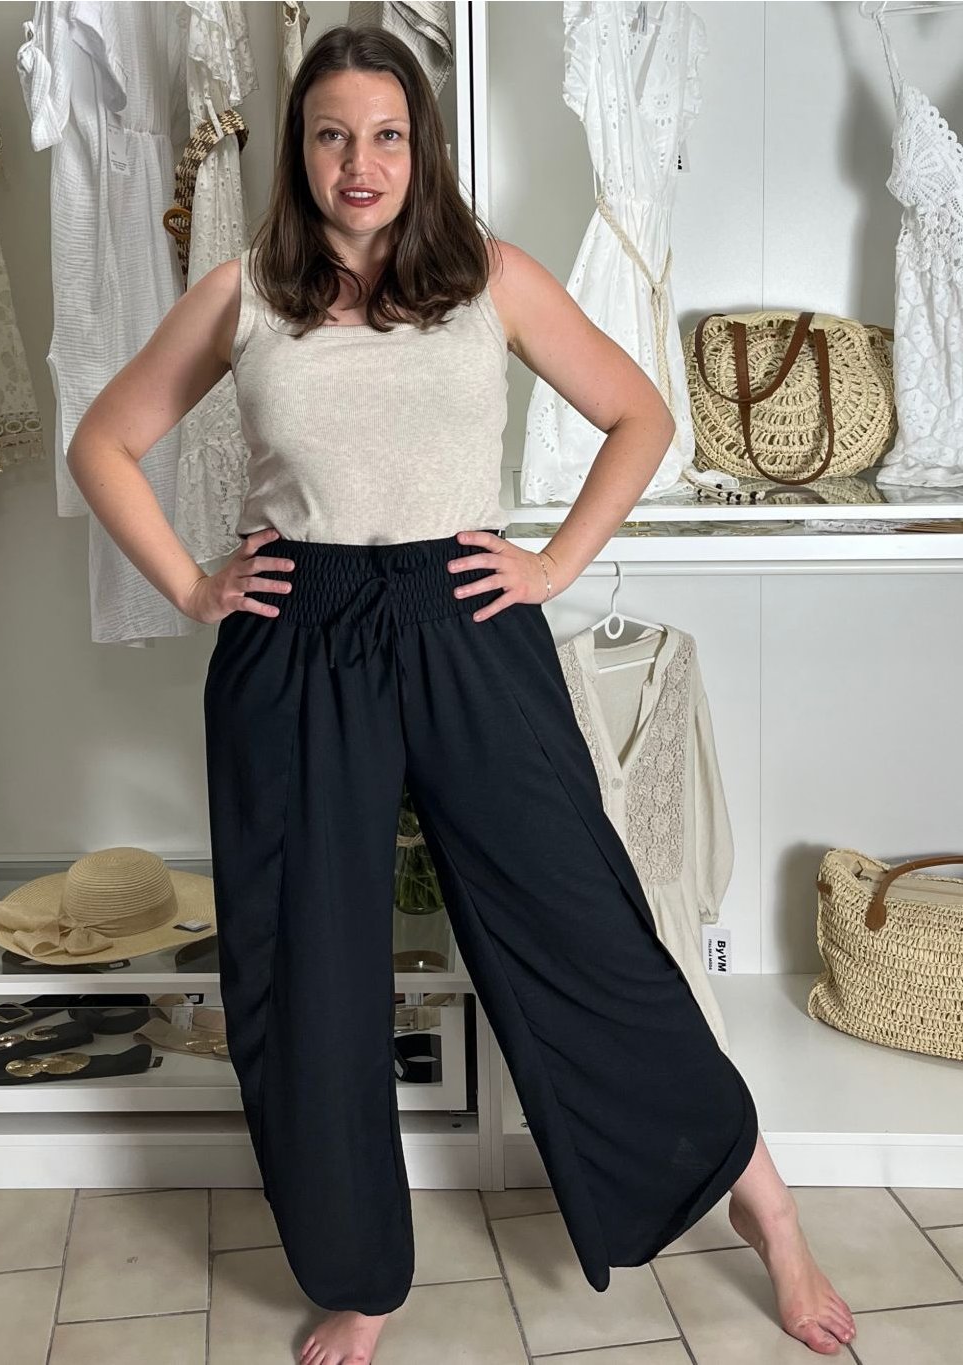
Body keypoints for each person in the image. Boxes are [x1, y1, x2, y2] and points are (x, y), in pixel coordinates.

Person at [66, 24, 856, 1365]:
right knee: (306, 964)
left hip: (466, 624)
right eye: (331, 134)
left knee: (586, 923)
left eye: (385, 134)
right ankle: (361, 1273)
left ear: (420, 146)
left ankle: (765, 1207)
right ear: (298, 150)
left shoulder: (489, 275)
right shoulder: (245, 292)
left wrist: (552, 563)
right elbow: (104, 441)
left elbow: (642, 415)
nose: (359, 163)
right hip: (298, 638)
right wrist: (196, 586)